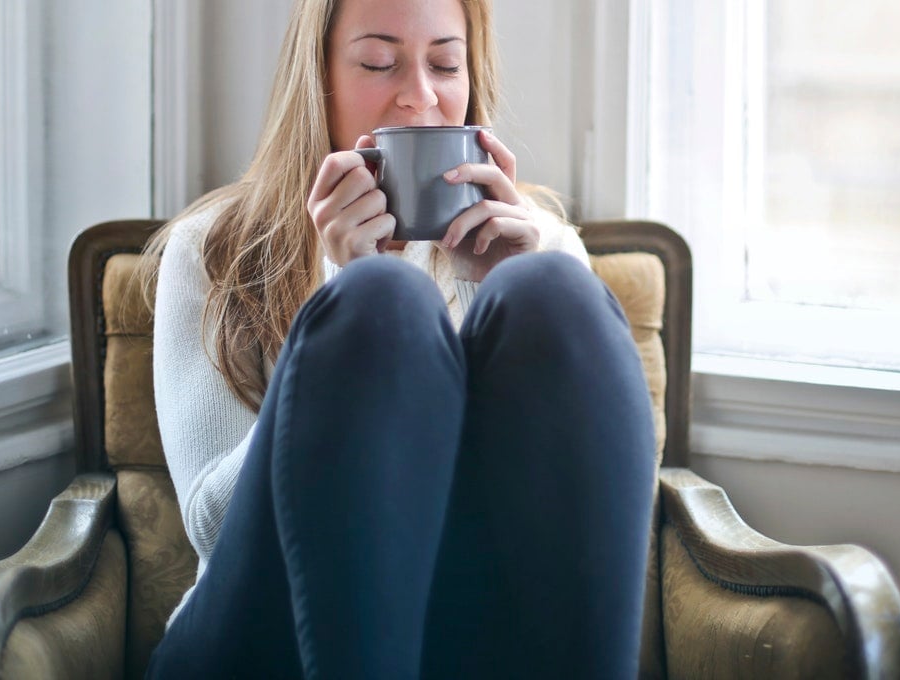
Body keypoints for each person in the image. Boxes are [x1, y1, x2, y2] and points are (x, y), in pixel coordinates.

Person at [141, 0, 656, 677]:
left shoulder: (541, 244)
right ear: (318, 77)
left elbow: (604, 509)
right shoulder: (214, 250)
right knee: (381, 303)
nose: (420, 98)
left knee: (552, 292)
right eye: (379, 63)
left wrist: (505, 285)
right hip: (262, 632)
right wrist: (341, 298)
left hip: (472, 632)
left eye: (446, 64)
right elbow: (210, 528)